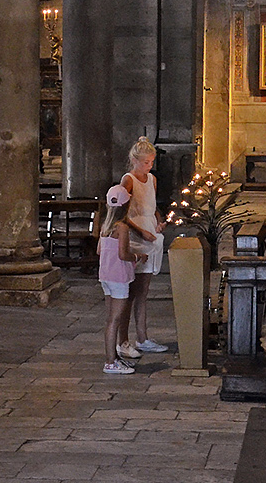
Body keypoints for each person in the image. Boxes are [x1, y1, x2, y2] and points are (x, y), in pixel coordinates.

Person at [118, 137, 169, 358]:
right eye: (146, 162)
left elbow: (154, 207)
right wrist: (141, 232)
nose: (150, 166)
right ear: (135, 160)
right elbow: (120, 214)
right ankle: (123, 341)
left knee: (143, 293)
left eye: (151, 162)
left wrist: (159, 221)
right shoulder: (128, 180)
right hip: (136, 237)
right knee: (129, 293)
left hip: (151, 237)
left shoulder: (152, 180)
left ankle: (143, 337)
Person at [98, 184, 138, 375]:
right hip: (119, 278)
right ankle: (110, 362)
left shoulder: (105, 227)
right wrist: (137, 257)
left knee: (110, 320)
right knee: (116, 320)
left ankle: (113, 357)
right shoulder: (122, 228)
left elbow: (100, 251)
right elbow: (123, 254)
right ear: (126, 206)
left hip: (105, 276)